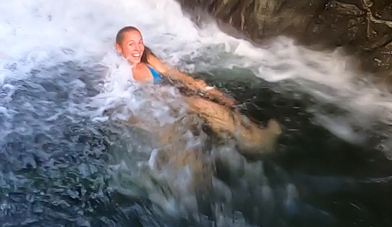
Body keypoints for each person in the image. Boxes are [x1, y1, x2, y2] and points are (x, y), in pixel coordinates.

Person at [114, 26, 282, 155]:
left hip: (170, 97)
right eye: (131, 44)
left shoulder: (147, 59)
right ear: (119, 48)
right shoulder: (116, 73)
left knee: (218, 102)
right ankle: (255, 141)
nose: (138, 48)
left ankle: (245, 140)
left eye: (140, 42)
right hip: (158, 106)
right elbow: (118, 107)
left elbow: (171, 73)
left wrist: (209, 90)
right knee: (202, 106)